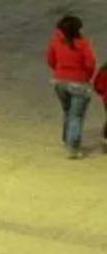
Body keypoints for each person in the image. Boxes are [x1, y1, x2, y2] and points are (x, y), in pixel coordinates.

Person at [47, 15, 97, 158]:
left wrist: (59, 71)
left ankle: (66, 139)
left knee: (67, 111)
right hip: (79, 82)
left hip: (60, 81)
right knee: (76, 116)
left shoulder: (56, 42)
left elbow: (50, 59)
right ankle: (73, 147)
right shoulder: (83, 44)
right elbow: (90, 63)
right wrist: (86, 76)